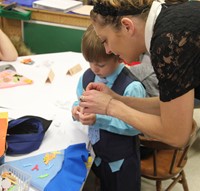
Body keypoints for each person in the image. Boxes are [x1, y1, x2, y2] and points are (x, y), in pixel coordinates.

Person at [79, 0, 200, 147]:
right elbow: (168, 107)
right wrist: (117, 99)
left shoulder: (167, 42)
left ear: (127, 26)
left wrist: (110, 106)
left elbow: (176, 135)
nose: (107, 50)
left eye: (105, 40)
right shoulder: (166, 20)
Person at [72, 24, 146, 191]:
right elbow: (80, 100)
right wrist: (77, 108)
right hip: (98, 155)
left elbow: (134, 126)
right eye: (90, 62)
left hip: (122, 161)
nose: (94, 68)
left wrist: (99, 120)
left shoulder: (131, 87)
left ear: (119, 57)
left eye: (101, 64)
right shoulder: (88, 76)